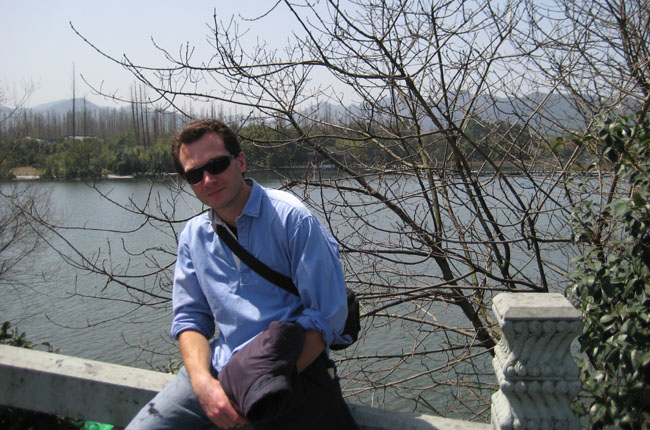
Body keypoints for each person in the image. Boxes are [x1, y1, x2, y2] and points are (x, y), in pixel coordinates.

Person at [126, 119, 358, 430]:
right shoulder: (194, 237)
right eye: (195, 174)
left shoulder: (293, 220)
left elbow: (326, 317)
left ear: (241, 161)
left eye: (217, 165)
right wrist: (202, 383)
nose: (208, 179)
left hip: (287, 369)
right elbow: (190, 319)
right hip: (219, 367)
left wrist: (263, 385)